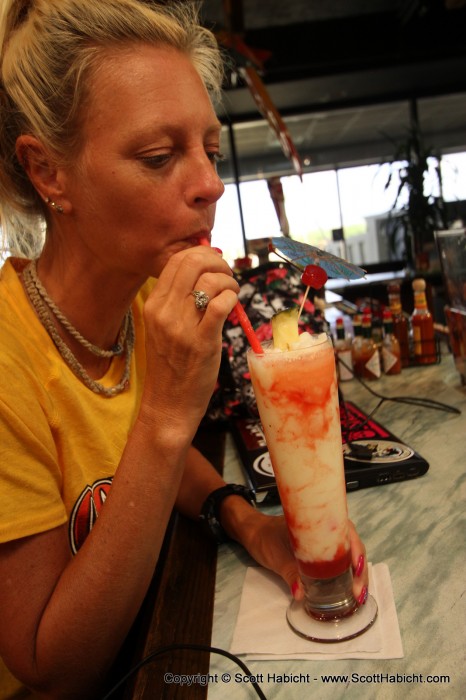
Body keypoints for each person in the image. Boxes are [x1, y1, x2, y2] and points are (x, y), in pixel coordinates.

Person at [0, 2, 369, 698]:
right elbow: (51, 668)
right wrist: (169, 414)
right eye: (160, 156)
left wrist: (249, 524)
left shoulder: (140, 304)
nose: (209, 184)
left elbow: (143, 460)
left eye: (209, 149)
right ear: (48, 172)